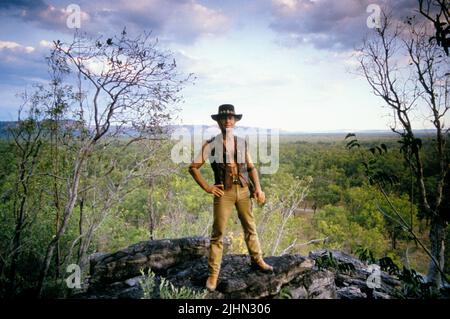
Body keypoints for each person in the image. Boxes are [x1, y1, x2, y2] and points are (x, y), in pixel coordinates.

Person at [188, 104, 273, 292]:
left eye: (231, 118)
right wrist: (208, 187)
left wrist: (258, 189)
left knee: (250, 227)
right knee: (218, 233)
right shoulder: (211, 144)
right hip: (223, 193)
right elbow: (193, 167)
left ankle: (258, 260)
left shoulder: (242, 142)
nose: (227, 120)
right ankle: (213, 274)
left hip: (243, 190)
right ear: (218, 121)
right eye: (224, 118)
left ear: (235, 121)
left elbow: (250, 167)